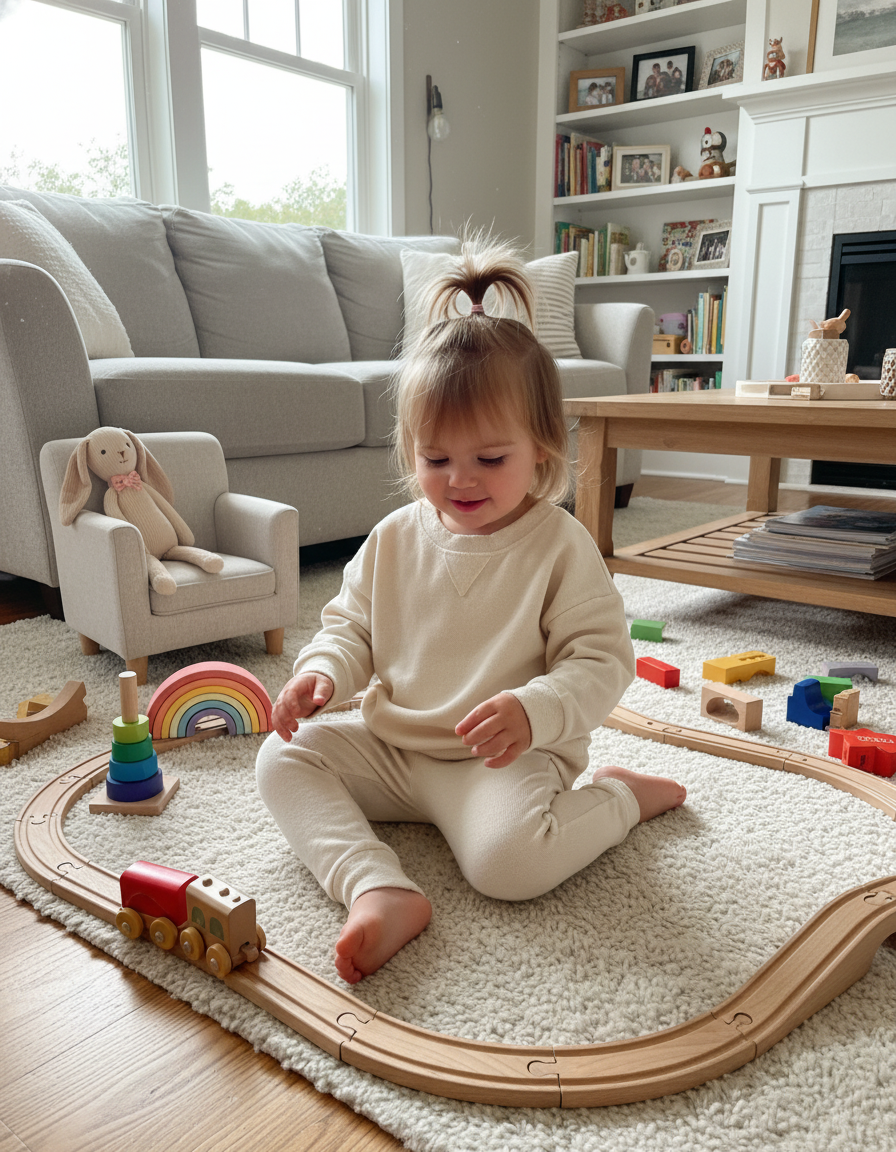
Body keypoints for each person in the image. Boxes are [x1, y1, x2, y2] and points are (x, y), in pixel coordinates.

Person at [256, 239, 686, 984]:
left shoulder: (558, 543)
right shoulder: (394, 537)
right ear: (409, 450)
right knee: (280, 759)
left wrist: (533, 707)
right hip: (395, 745)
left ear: (542, 448)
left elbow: (602, 661)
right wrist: (322, 675)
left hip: (501, 759)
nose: (459, 480)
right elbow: (348, 626)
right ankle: (379, 888)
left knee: (510, 865)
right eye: (434, 459)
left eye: (490, 459)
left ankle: (618, 798)